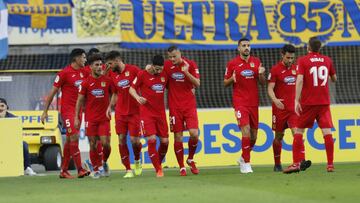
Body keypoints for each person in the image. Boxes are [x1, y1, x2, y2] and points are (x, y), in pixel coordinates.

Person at [283, 37, 336, 174]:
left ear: (309, 47)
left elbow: (299, 80)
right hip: (324, 102)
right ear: (319, 48)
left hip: (308, 103)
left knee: (299, 131)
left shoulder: (303, 60)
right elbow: (334, 79)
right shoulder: (327, 60)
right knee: (327, 132)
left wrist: (296, 100)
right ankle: (330, 165)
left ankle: (296, 163)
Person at [41, 48, 90, 179]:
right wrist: (45, 111)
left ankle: (63, 170)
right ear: (77, 58)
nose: (85, 60)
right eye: (84, 57)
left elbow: (99, 73)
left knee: (69, 140)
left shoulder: (85, 71)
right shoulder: (64, 73)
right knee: (74, 137)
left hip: (79, 112)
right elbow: (52, 93)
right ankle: (80, 169)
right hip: (68, 111)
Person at [224, 38, 266, 174]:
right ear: (238, 48)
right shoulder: (232, 64)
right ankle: (247, 164)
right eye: (244, 46)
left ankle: (243, 157)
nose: (246, 48)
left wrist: (260, 74)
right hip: (240, 102)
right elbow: (225, 82)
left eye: (248, 45)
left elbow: (263, 82)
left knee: (254, 136)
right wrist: (232, 79)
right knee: (245, 130)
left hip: (254, 103)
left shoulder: (257, 62)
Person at [74, 53, 114, 179]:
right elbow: (79, 100)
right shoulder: (86, 83)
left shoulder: (107, 80)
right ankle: (96, 169)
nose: (99, 67)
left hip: (104, 118)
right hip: (90, 119)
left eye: (100, 64)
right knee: (93, 144)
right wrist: (76, 117)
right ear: (90, 67)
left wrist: (110, 106)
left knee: (105, 143)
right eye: (96, 65)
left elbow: (115, 94)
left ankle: (104, 162)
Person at [129, 55, 168, 178]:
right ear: (151, 66)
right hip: (146, 114)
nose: (158, 71)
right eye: (156, 69)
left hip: (161, 113)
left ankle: (158, 163)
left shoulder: (164, 73)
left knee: (165, 142)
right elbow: (131, 89)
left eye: (160, 69)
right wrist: (138, 97)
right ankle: (158, 169)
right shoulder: (142, 74)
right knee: (152, 140)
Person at [105, 51, 143, 178]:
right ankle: (128, 169)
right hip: (120, 112)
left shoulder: (134, 70)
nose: (109, 66)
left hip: (135, 112)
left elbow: (144, 82)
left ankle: (137, 160)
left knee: (134, 141)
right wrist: (109, 107)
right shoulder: (112, 74)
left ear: (117, 60)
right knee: (121, 139)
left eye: (110, 63)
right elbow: (115, 93)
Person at [164, 46, 200, 176]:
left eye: (174, 56)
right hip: (175, 107)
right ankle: (181, 167)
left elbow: (197, 83)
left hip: (189, 106)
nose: (172, 59)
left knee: (194, 133)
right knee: (178, 137)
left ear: (180, 54)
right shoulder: (167, 66)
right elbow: (163, 82)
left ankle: (190, 159)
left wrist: (186, 73)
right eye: (170, 57)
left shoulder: (190, 64)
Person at [267, 44, 298, 172]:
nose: (290, 60)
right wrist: (275, 100)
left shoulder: (297, 69)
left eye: (292, 58)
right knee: (279, 136)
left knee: (297, 135)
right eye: (288, 58)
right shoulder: (275, 70)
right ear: (282, 55)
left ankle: (297, 162)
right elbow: (270, 88)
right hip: (279, 109)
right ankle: (277, 163)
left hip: (294, 110)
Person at [0, 98, 37, 176]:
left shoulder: (14, 118)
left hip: (10, 142)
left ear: (7, 107)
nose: (0, 108)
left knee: (24, 144)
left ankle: (27, 167)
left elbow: (17, 133)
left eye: (2, 106)